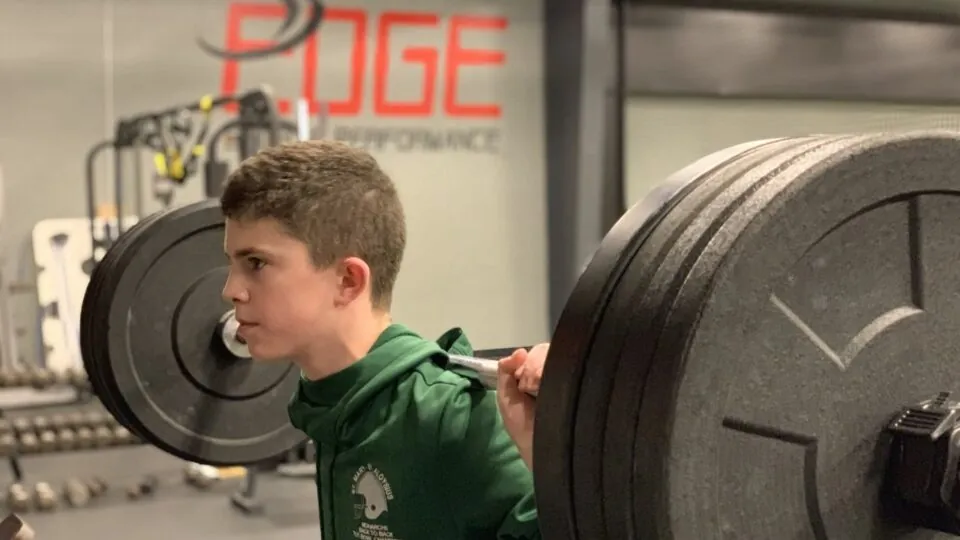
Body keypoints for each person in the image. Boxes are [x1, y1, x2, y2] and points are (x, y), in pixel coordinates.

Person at [220, 140, 546, 540]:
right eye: (231, 264)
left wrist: (554, 463)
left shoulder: (454, 416)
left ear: (347, 280)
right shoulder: (332, 407)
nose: (231, 290)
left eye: (256, 264)